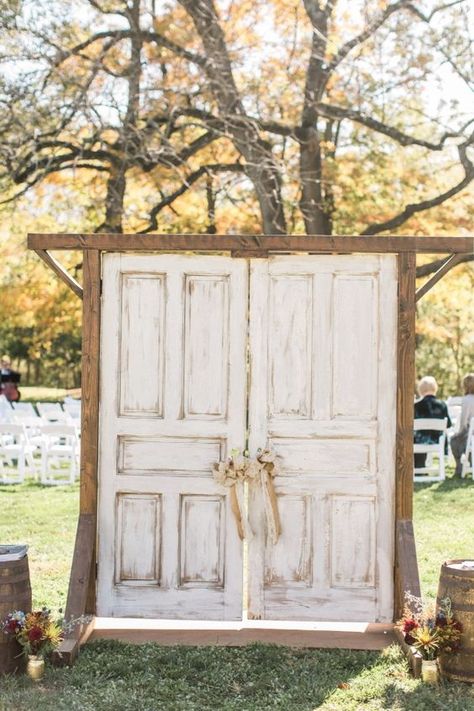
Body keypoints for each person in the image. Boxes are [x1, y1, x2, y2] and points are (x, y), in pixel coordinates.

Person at [414, 376, 451, 469]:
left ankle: (419, 467)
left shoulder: (416, 405)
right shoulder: (442, 405)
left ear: (420, 389)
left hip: (420, 440)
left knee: (416, 435)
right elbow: (448, 424)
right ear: (435, 388)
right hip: (437, 440)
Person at [450, 373, 474, 477]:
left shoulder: (467, 399)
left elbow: (464, 422)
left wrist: (458, 432)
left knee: (454, 440)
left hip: (470, 434)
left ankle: (459, 465)